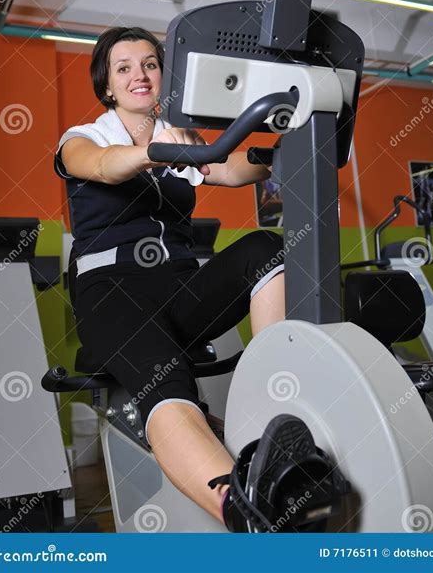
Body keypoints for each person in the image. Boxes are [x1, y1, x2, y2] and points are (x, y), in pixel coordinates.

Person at [54, 26, 289, 531]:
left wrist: (282, 151)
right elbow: (100, 166)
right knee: (168, 378)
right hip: (112, 292)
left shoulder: (180, 135)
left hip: (180, 289)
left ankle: (277, 411)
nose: (140, 74)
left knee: (267, 249)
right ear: (108, 87)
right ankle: (248, 512)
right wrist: (158, 151)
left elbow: (228, 167)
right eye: (124, 68)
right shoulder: (84, 138)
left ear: (164, 76)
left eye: (150, 64)